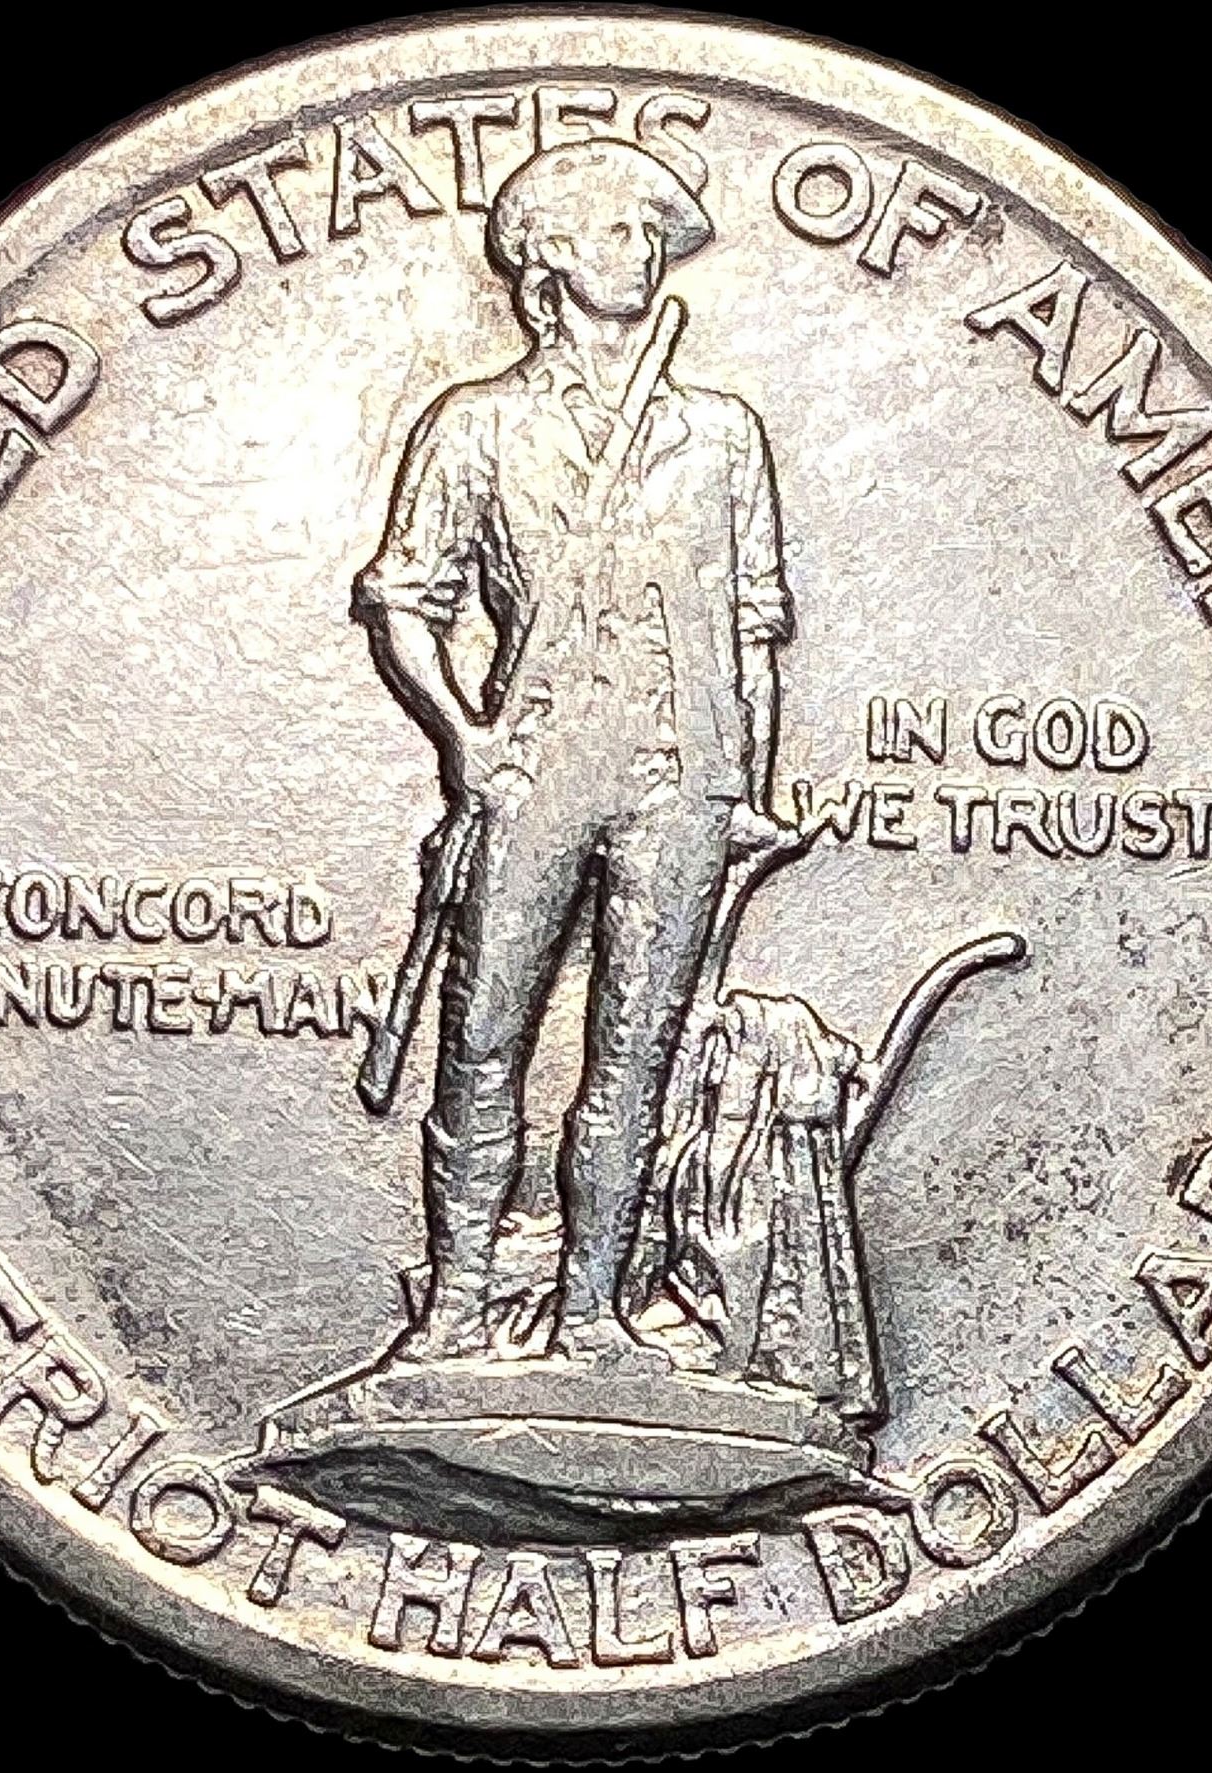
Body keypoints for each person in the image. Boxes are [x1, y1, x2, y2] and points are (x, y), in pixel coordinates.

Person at [352, 137, 795, 1365]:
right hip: (536, 765)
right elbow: (405, 598)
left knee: (637, 1057)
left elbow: (754, 623)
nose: (639, 249)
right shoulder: (478, 425)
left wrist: (748, 785)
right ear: (545, 259)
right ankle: (456, 1306)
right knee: (482, 1038)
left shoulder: (722, 434)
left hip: (684, 779)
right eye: (611, 229)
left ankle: (593, 1314)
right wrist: (466, 739)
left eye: (649, 232)